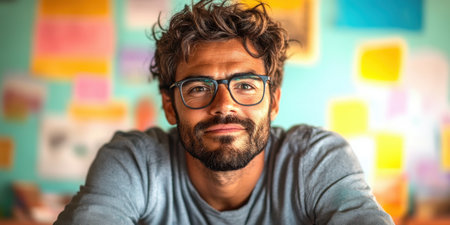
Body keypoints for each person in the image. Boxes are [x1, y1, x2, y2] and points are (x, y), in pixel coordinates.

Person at [55, 0, 394, 224]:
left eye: (246, 85)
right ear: (170, 106)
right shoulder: (133, 163)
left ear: (273, 101)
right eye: (199, 88)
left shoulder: (316, 159)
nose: (223, 105)